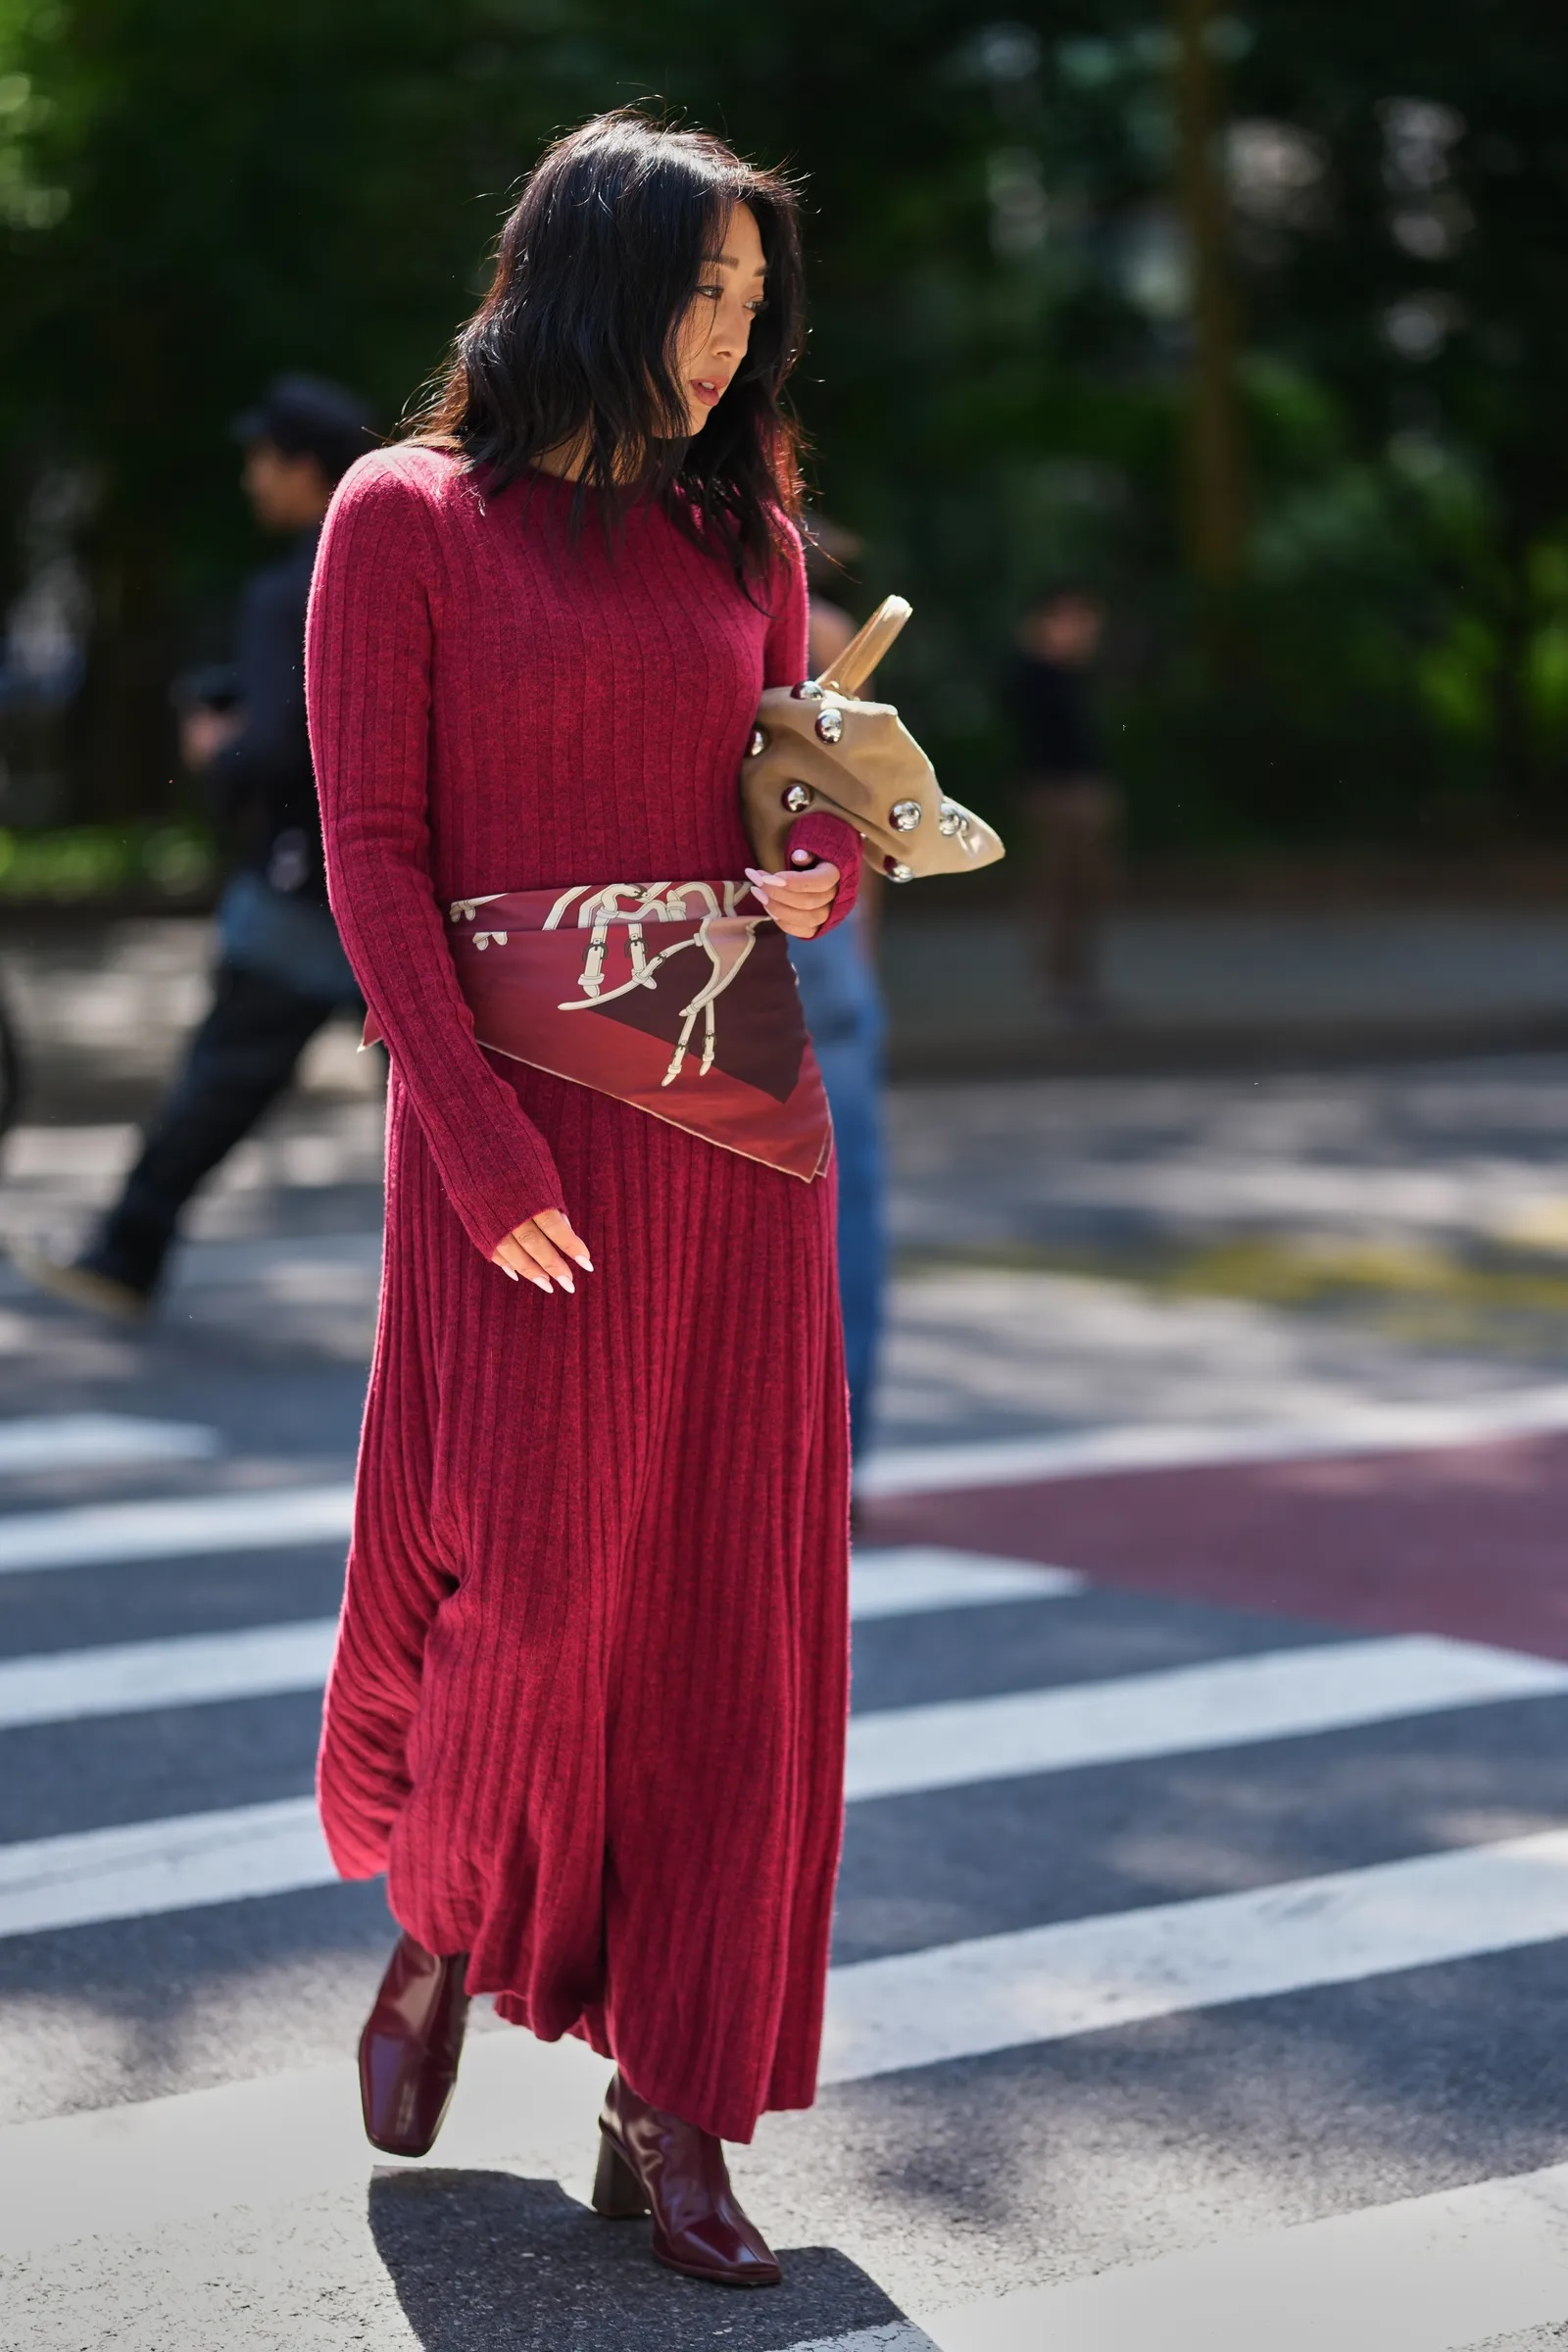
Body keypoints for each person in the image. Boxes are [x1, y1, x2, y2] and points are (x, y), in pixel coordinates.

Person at [307, 114, 859, 2288]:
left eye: (750, 303)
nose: (724, 343)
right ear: (581, 287)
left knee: (739, 1630)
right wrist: (477, 1137)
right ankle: (444, 1922)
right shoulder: (405, 517)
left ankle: (683, 2100)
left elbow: (778, 831)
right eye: (693, 295)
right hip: (506, 1154)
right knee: (524, 1606)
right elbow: (369, 858)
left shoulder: (754, 547)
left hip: (736, 1147)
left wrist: (814, 876)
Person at [17, 375, 375, 1320]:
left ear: (305, 469)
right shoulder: (398, 564)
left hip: (306, 883)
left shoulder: (289, 586)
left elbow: (285, 742)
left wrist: (221, 749)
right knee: (434, 1102)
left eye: (263, 460)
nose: (253, 480)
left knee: (221, 1078)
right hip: (405, 883)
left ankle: (125, 1250)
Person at [789, 526, 887, 1456]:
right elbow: (869, 815)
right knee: (844, 1203)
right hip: (828, 946)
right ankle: (840, 1442)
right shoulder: (834, 640)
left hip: (719, 941)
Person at [1004, 583, 1118, 1016]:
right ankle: (1055, 985)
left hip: (1086, 790)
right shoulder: (1034, 673)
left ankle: (1079, 981)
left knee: (1088, 890)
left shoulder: (1077, 674)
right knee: (1053, 889)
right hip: (1051, 792)